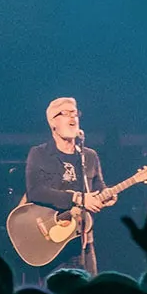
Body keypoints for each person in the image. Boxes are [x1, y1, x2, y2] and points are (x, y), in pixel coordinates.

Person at [24, 97, 117, 277]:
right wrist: (76, 198)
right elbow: (35, 191)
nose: (72, 118)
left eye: (75, 113)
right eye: (65, 113)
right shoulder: (39, 154)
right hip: (54, 238)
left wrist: (109, 195)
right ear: (53, 123)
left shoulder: (89, 156)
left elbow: (99, 187)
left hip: (83, 239)